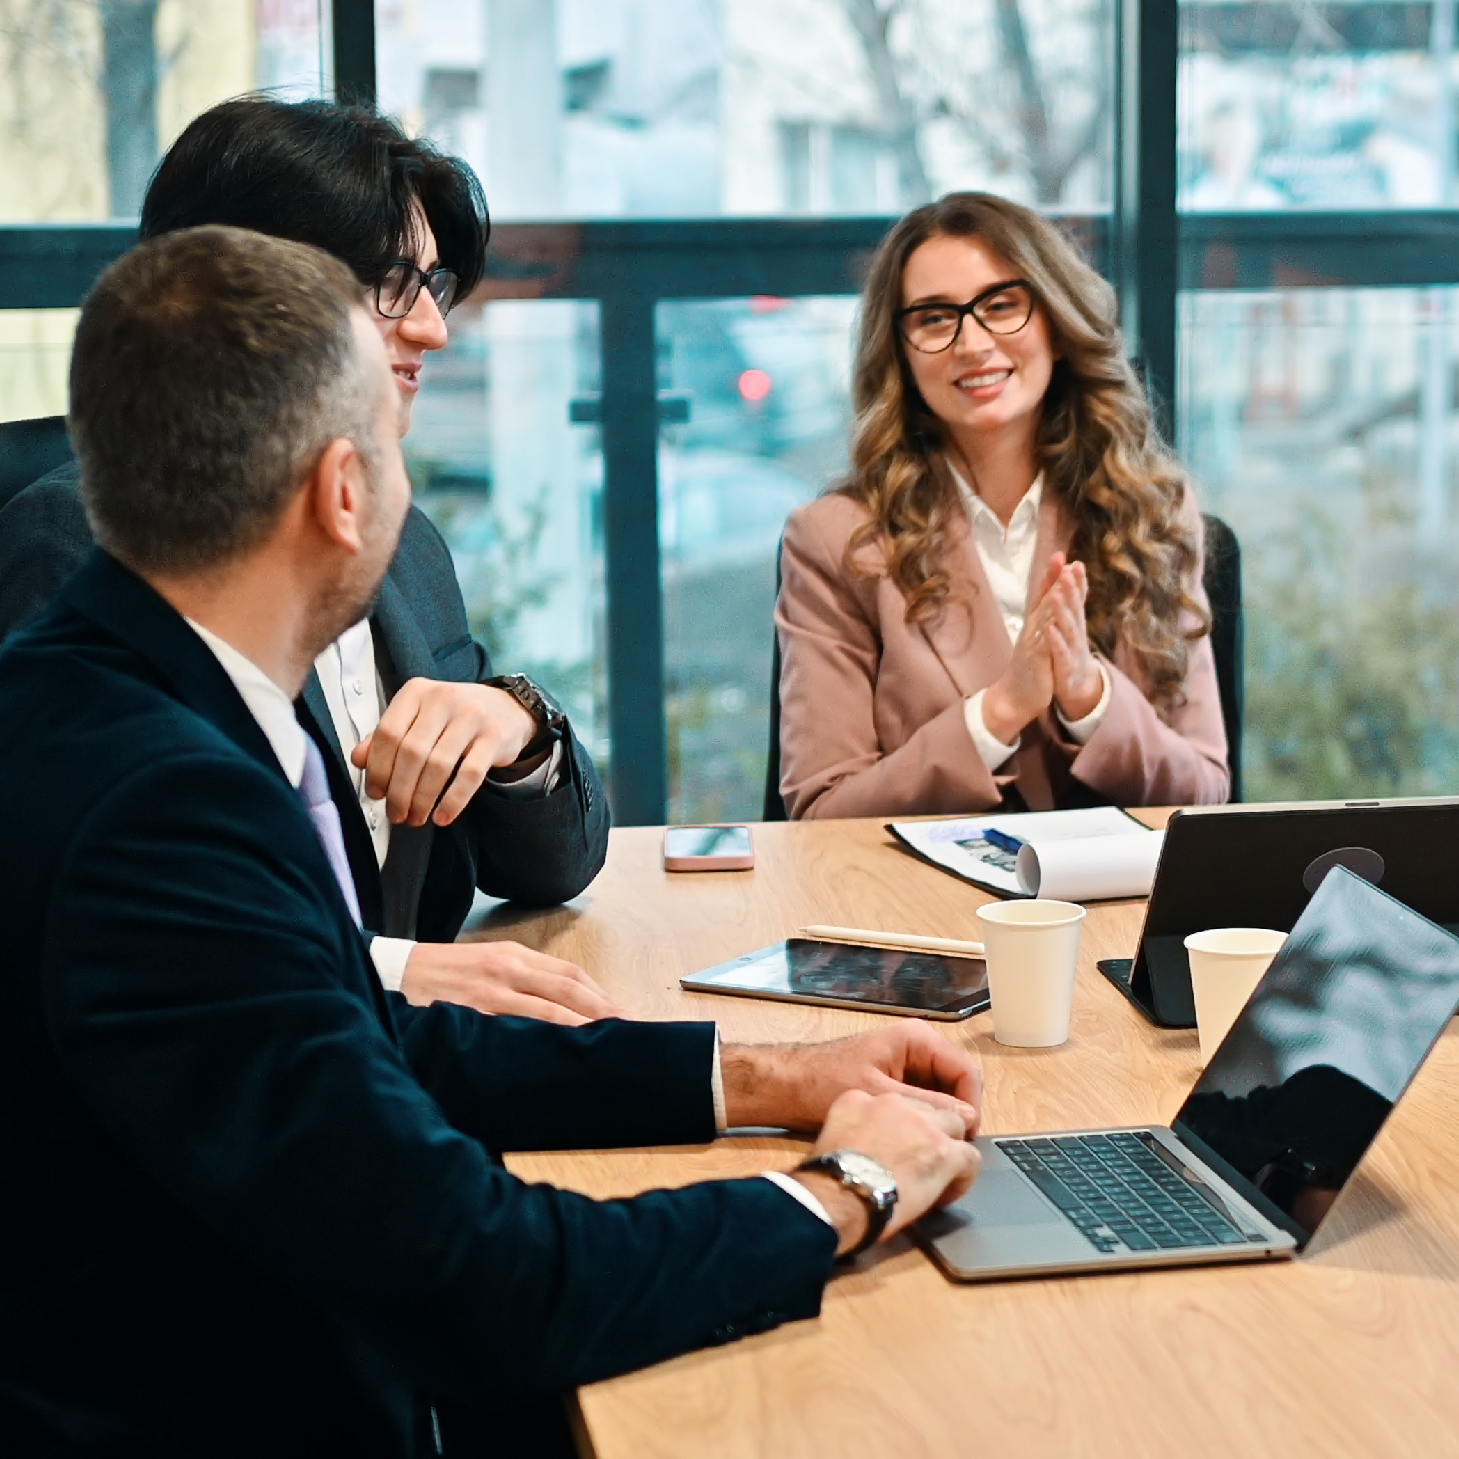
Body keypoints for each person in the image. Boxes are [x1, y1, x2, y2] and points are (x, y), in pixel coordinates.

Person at [0, 225, 984, 1457]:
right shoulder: (160, 809)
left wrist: (760, 1078)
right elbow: (488, 1286)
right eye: (398, 437)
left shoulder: (95, 689)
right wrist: (848, 1189)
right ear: (342, 491)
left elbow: (357, 1045)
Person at [0, 98, 618, 1026]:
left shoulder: (399, 538)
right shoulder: (84, 542)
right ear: (240, 293)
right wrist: (395, 972)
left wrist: (513, 728)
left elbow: (557, 864)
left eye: (433, 284)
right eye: (389, 283)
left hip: (437, 1068)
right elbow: (116, 920)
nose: (432, 329)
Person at [775, 192, 1230, 819]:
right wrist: (998, 712)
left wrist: (1090, 699)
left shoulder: (1151, 511)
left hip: (1116, 909)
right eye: (935, 318)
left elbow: (1205, 790)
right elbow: (823, 811)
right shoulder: (837, 540)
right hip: (913, 910)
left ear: (1057, 323)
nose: (973, 342)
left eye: (1001, 306)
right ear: (901, 353)